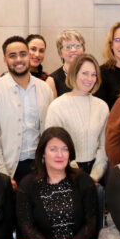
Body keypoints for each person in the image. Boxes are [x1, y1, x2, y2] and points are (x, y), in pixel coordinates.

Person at [0, 36, 54, 189]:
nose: (18, 59)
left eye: (23, 54)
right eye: (12, 56)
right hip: (10, 168)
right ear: (5, 60)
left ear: (29, 56)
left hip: (39, 166)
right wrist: (3, 175)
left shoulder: (44, 88)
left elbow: (50, 132)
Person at [45, 54, 109, 182]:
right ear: (74, 74)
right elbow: (52, 146)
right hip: (65, 172)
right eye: (85, 73)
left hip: (97, 174)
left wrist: (94, 177)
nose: (89, 79)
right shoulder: (57, 106)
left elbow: (103, 146)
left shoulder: (102, 107)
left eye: (93, 74)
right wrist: (76, 175)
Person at [46, 29, 85, 98]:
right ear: (60, 53)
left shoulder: (91, 75)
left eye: (77, 46)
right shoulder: (52, 81)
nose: (73, 50)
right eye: (68, 47)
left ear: (83, 49)